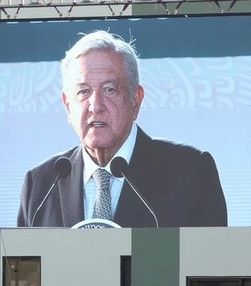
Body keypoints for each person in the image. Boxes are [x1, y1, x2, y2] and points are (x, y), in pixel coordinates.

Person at [17, 30, 227, 228]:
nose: (96, 106)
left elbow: (213, 260)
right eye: (83, 91)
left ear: (135, 100)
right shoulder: (41, 184)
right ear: (67, 105)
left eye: (109, 90)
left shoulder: (191, 172)